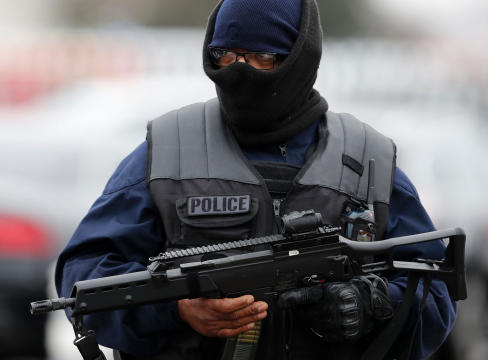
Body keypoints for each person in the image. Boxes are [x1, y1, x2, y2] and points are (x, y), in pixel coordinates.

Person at [55, 0, 457, 359]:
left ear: (299, 58)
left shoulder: (368, 160)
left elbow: (436, 293)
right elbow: (83, 275)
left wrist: (373, 304)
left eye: (261, 56)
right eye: (224, 55)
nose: (238, 71)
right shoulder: (167, 152)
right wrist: (174, 310)